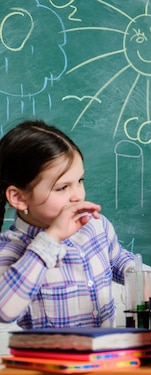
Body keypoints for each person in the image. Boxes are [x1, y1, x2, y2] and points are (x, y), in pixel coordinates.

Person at [0, 120, 139, 329]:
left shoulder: (95, 226)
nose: (77, 195)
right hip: (51, 361)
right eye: (62, 187)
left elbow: (117, 259)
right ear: (18, 197)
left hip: (105, 356)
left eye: (80, 181)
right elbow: (5, 310)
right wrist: (51, 239)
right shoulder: (10, 249)